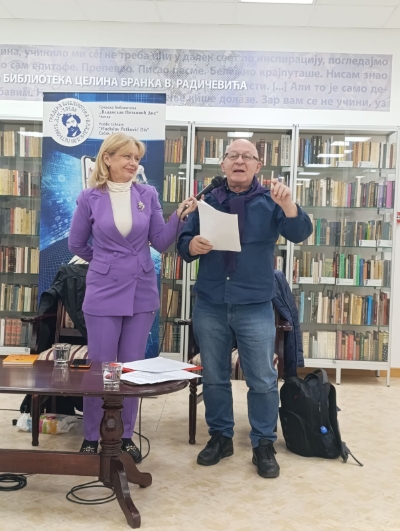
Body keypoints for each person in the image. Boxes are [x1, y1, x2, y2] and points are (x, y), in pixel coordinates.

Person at [177, 138, 312, 478]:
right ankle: (220, 437)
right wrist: (191, 245)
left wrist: (289, 205)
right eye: (233, 156)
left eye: (247, 157)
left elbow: (299, 233)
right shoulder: (206, 200)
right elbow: (182, 244)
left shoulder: (271, 201)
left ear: (257, 166)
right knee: (214, 376)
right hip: (211, 303)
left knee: (262, 378)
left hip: (254, 305)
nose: (239, 161)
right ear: (223, 164)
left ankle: (263, 443)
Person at [68, 132, 197, 461]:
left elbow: (160, 241)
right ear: (107, 158)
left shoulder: (147, 194)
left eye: (136, 158)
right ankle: (92, 435)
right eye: (126, 156)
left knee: (132, 368)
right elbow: (76, 244)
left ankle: (124, 435)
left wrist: (178, 217)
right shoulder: (89, 197)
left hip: (141, 290)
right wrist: (105, 262)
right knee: (102, 367)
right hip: (103, 290)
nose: (133, 163)